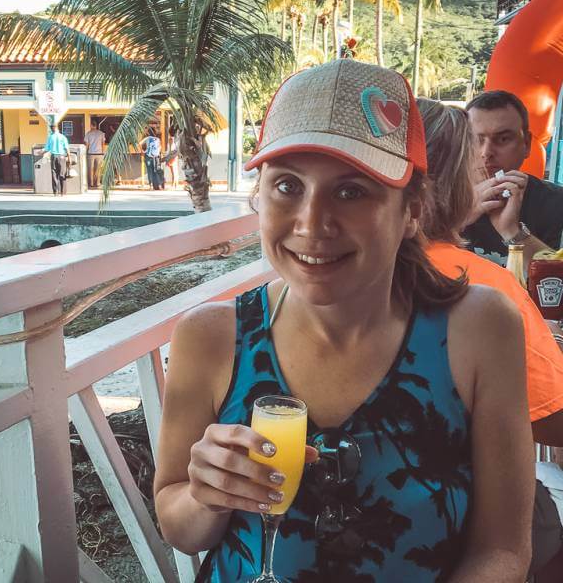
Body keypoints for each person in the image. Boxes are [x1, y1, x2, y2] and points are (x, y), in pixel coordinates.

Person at [154, 60, 533, 581]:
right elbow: (178, 525)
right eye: (287, 186)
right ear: (258, 196)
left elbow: (504, 550)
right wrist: (206, 496)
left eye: (351, 191)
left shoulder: (478, 328)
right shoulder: (210, 335)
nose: (313, 224)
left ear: (413, 211)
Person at [418, 98, 563, 579]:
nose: (487, 158)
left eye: (501, 140)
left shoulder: (324, 283)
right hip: (467, 522)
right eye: (474, 151)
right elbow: (556, 423)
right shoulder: (478, 285)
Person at [464, 91, 563, 266]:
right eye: (475, 139)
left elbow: (556, 286)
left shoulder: (556, 203)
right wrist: (459, 219)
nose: (486, 152)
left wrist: (513, 232)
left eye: (502, 139)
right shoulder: (436, 196)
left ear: (526, 144)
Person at [44, 122, 70, 195]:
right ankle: (63, 192)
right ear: (57, 128)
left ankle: (55, 192)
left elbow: (47, 149)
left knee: (54, 174)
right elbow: (67, 148)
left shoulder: (50, 137)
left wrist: (41, 152)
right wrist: (69, 158)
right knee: (62, 174)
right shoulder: (63, 137)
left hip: (54, 156)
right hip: (62, 156)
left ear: (52, 129)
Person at [84, 119, 106, 189]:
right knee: (98, 169)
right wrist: (103, 152)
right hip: (99, 153)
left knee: (90, 169)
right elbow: (103, 143)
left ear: (91, 125)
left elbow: (87, 144)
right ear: (96, 126)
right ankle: (97, 183)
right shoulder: (101, 133)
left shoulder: (88, 134)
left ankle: (91, 184)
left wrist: (85, 152)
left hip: (90, 153)